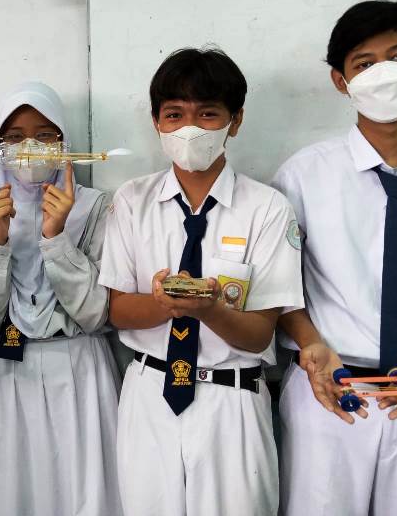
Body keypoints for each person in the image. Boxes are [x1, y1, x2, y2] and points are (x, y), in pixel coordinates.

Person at [272, 0, 397, 516]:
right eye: (365, 63)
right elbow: (278, 288)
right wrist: (312, 344)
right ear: (342, 81)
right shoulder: (302, 177)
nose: (384, 73)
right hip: (329, 395)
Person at [98, 48, 304, 516]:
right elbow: (118, 309)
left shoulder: (267, 209)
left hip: (232, 401)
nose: (190, 128)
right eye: (175, 114)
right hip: (149, 394)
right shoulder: (132, 200)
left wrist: (210, 310)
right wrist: (164, 303)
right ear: (156, 121)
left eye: (208, 113)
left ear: (236, 120)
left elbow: (259, 334)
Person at [0, 81, 122, 516]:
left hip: (80, 368)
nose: (29, 148)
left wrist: (55, 237)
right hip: (6, 372)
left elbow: (97, 313)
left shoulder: (96, 207)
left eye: (45, 135)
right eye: (14, 137)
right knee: (11, 494)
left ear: (64, 143)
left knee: (86, 493)